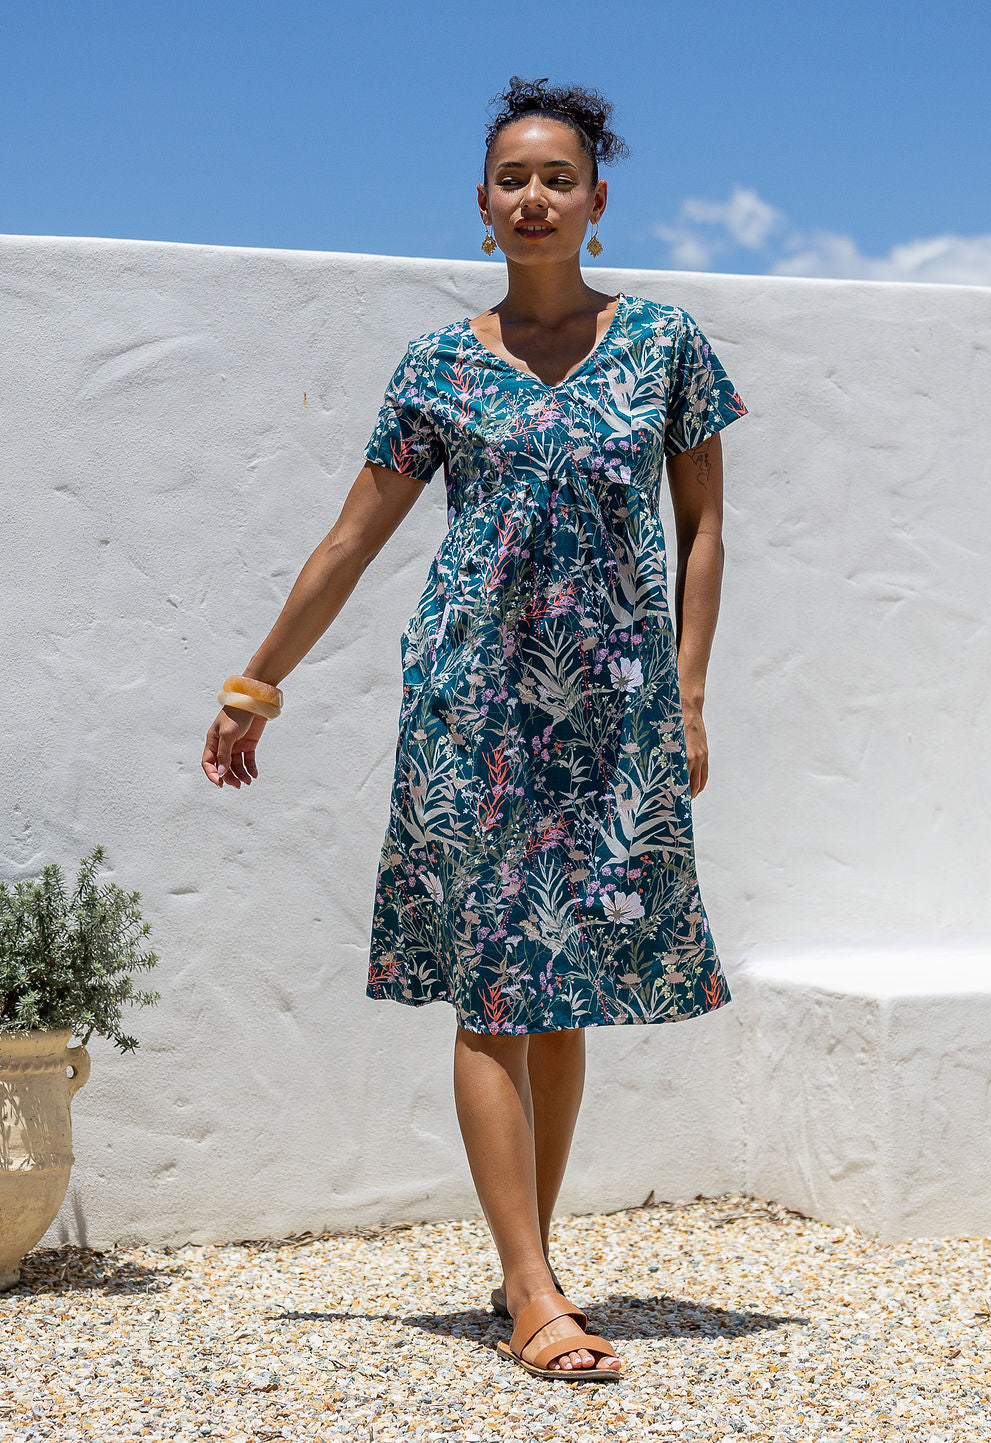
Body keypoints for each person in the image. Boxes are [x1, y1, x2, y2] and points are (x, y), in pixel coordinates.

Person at [203, 74, 747, 1382]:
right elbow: (352, 539)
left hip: (611, 718)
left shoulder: (667, 345)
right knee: (498, 989)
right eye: (513, 178)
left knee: (563, 999)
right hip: (475, 711)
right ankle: (533, 1293)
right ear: (483, 205)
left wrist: (687, 696)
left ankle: (527, 1267)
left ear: (599, 202)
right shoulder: (438, 366)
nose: (535, 196)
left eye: (559, 177)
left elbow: (704, 529)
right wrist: (255, 683)